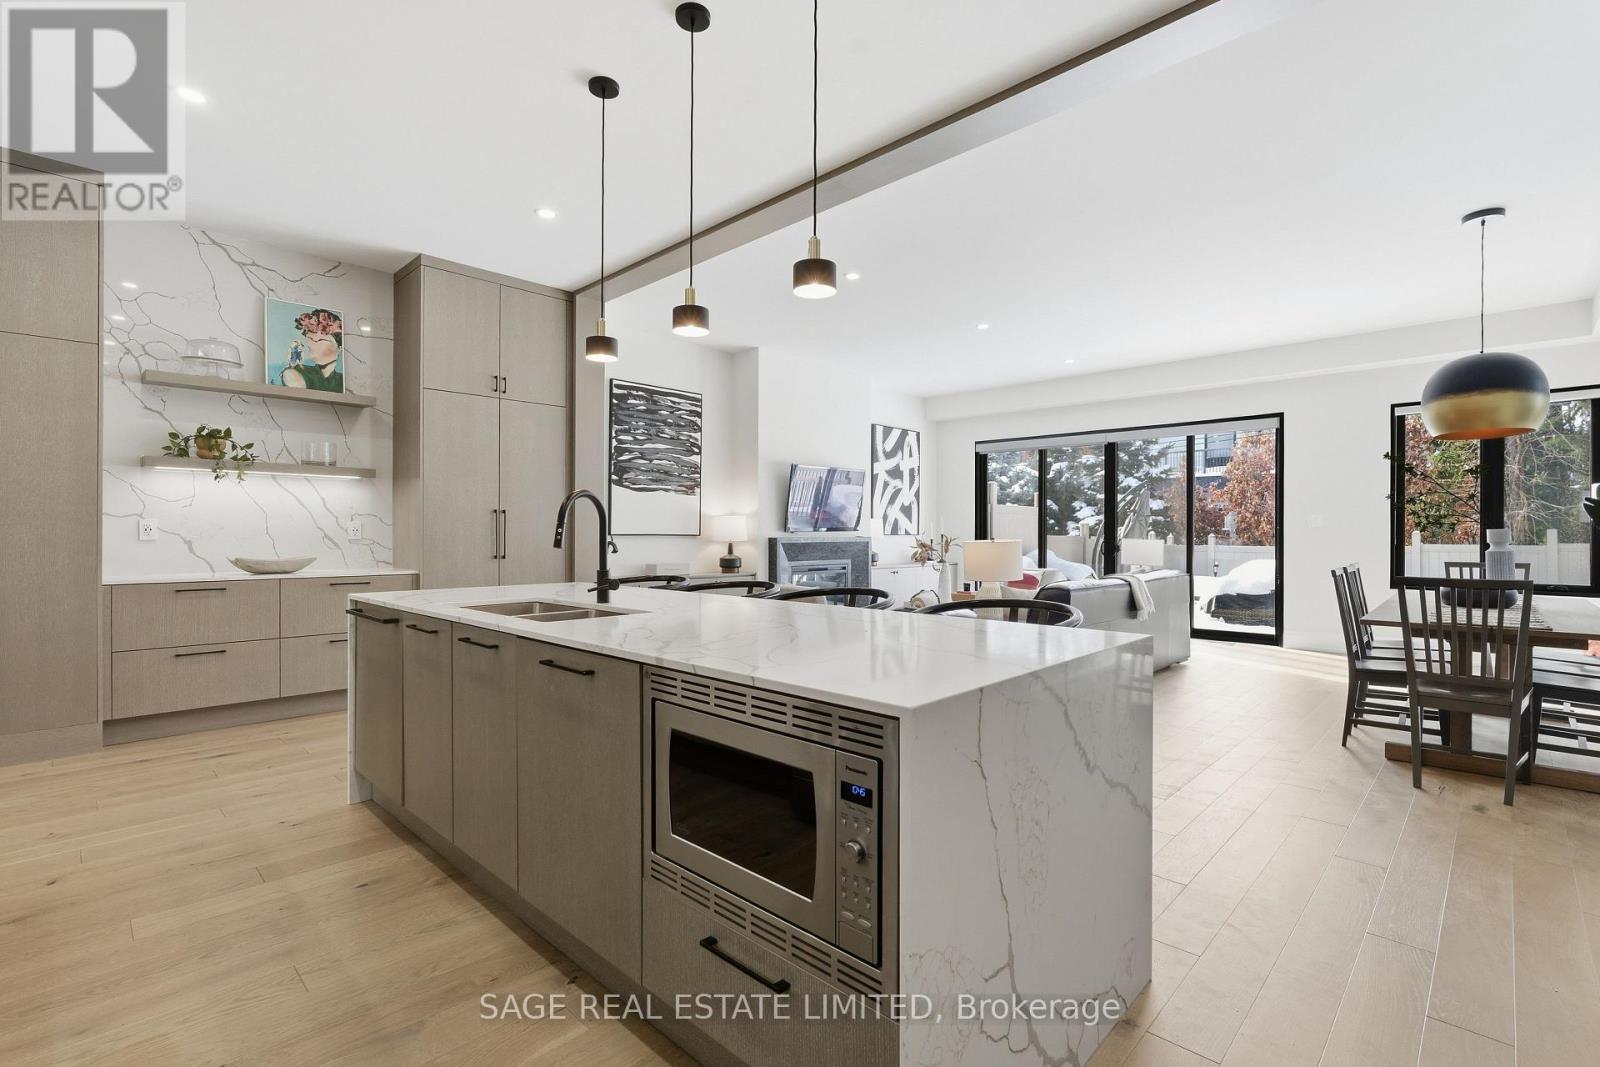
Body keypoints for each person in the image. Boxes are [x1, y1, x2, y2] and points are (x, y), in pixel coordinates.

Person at [280, 308, 344, 392]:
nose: (313, 345)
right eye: (310, 340)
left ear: (339, 349)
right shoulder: (297, 372)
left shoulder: (342, 381)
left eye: (321, 341)